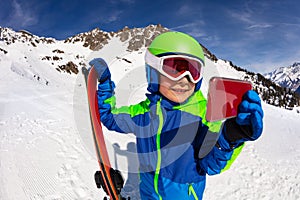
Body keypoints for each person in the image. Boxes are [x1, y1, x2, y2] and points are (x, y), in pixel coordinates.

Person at [89, 31, 264, 200]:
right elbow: (110, 117)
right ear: (154, 72)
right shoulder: (144, 113)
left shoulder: (203, 117)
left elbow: (212, 164)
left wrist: (231, 137)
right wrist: (105, 85)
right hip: (148, 195)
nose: (184, 80)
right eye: (173, 69)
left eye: (192, 72)